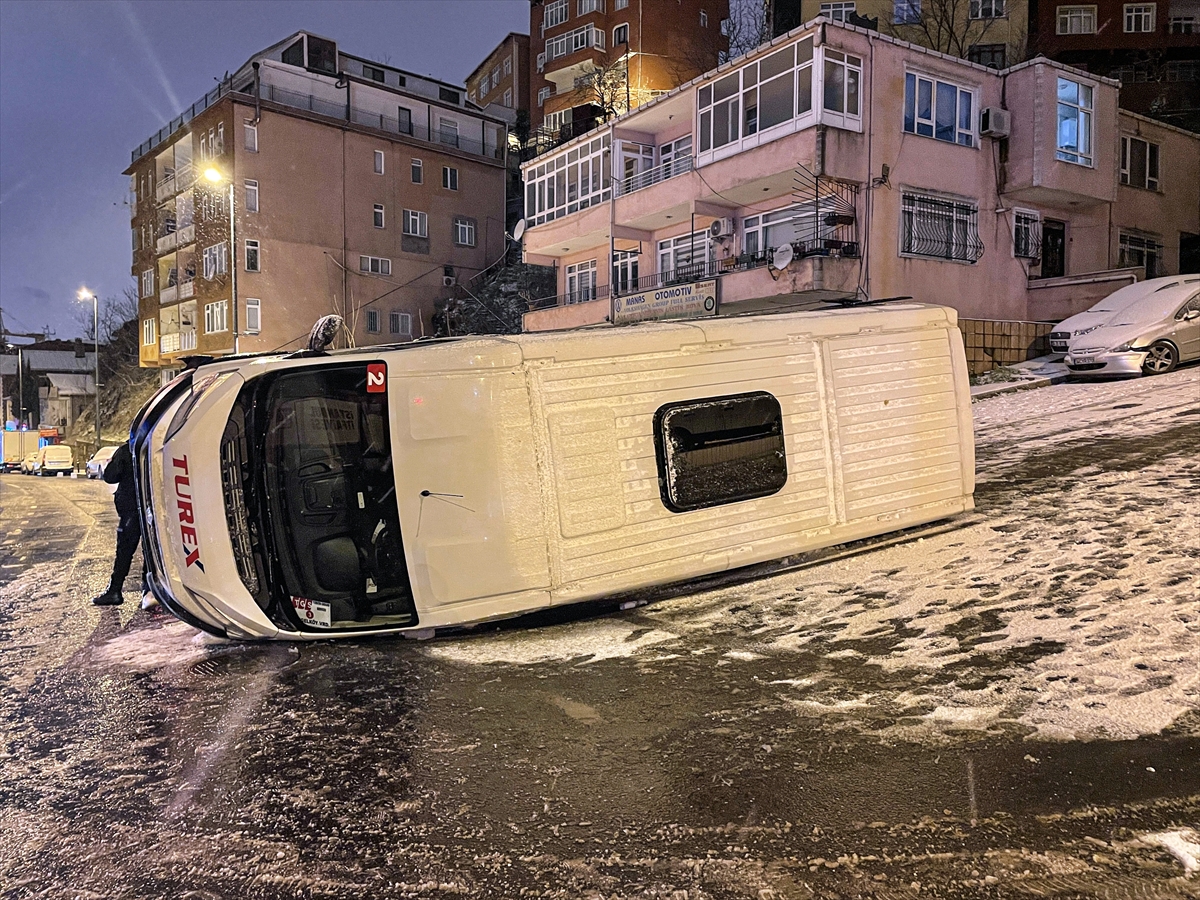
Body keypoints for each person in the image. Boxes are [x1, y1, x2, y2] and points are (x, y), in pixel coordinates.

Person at [91, 442, 155, 609]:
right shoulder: (155, 446)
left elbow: (110, 476)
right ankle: (149, 590)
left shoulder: (127, 450)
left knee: (124, 552)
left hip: (131, 508)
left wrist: (112, 462)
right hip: (153, 507)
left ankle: (115, 590)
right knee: (151, 550)